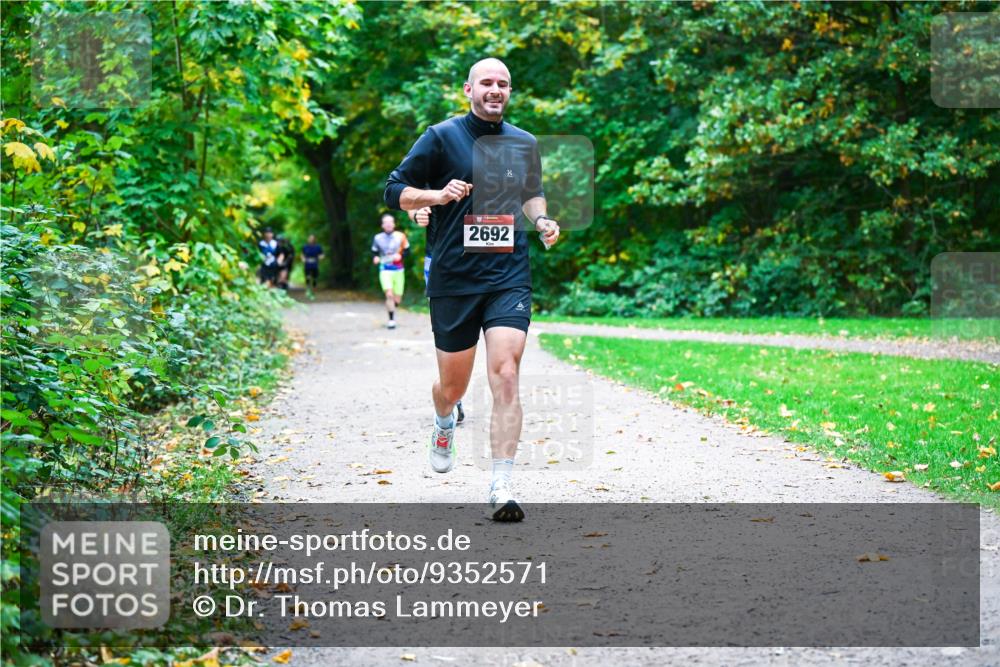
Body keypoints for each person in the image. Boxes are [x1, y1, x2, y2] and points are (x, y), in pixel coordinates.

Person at [384, 58, 559, 521]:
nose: (495, 89)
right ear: (468, 90)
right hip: (454, 278)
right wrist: (437, 196)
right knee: (454, 385)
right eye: (486, 82)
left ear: (509, 91)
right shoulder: (440, 137)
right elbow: (394, 190)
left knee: (505, 371)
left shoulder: (524, 143)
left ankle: (502, 483)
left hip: (508, 275)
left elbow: (531, 192)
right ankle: (445, 420)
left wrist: (540, 219)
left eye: (503, 83)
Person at [410, 206, 465, 425]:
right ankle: (454, 393)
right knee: (450, 327)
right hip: (439, 257)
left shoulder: (489, 172)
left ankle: (455, 387)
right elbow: (411, 194)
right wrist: (416, 213)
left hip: (483, 259)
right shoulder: (432, 171)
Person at [371, 213, 410, 329]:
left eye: (390, 222)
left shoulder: (401, 236)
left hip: (398, 269)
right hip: (385, 269)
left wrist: (401, 257)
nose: (388, 224)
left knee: (397, 298)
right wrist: (375, 257)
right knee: (389, 294)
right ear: (382, 225)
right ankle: (391, 320)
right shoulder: (378, 238)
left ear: (394, 224)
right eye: (386, 222)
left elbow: (408, 251)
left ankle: (392, 306)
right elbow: (373, 252)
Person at [301, 234, 324, 299]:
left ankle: (314, 289)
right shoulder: (305, 247)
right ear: (308, 239)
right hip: (307, 263)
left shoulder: (318, 247)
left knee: (314, 277)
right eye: (310, 238)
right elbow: (302, 254)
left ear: (314, 239)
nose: (311, 239)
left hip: (315, 263)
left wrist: (320, 258)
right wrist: (303, 259)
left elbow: (322, 254)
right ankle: (308, 289)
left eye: (312, 238)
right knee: (307, 276)